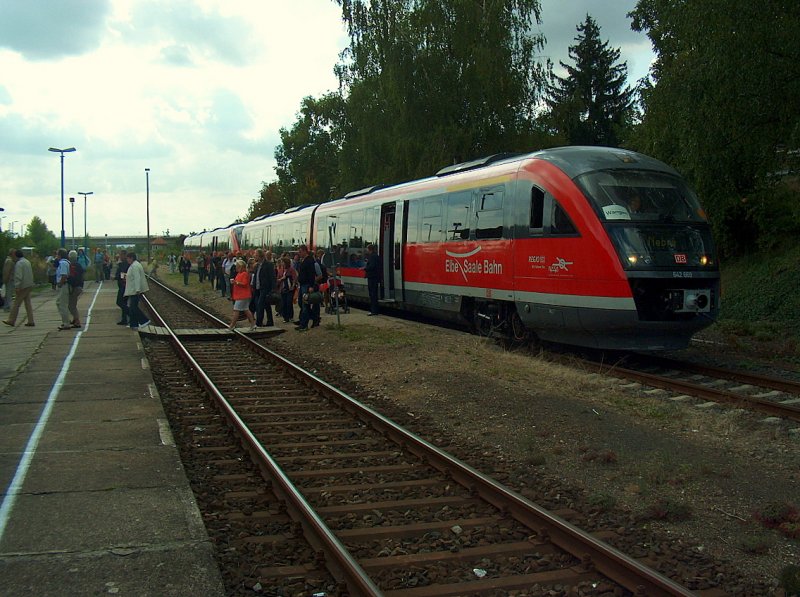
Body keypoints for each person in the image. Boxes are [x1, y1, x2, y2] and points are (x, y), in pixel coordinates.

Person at [3, 250, 35, 327]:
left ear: (16, 256)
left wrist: (17, 286)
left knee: (16, 303)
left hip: (22, 286)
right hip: (29, 284)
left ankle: (11, 320)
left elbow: (18, 276)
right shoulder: (27, 261)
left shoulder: (19, 264)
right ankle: (31, 320)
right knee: (27, 303)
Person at [295, 244, 321, 331]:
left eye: (300, 252)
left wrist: (311, 286)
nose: (299, 253)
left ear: (304, 251)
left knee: (305, 305)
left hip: (306, 285)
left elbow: (311, 275)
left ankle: (304, 324)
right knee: (301, 304)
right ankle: (314, 318)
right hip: (302, 285)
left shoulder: (309, 261)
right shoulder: (303, 260)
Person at [123, 252, 150, 329]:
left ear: (131, 258)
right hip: (133, 290)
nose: (127, 260)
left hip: (135, 290)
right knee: (132, 308)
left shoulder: (134, 266)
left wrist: (137, 289)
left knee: (133, 308)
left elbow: (137, 278)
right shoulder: (135, 265)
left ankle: (144, 320)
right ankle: (133, 324)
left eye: (128, 258)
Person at [228, 259, 256, 330]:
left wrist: (235, 282)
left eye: (237, 266)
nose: (236, 268)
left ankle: (232, 325)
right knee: (246, 309)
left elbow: (244, 283)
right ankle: (253, 324)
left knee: (236, 310)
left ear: (241, 267)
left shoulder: (244, 274)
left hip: (243, 295)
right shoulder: (239, 274)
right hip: (241, 295)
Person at [253, 249, 275, 328]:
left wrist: (273, 288)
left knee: (260, 305)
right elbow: (256, 277)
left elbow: (272, 277)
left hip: (265, 288)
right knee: (266, 305)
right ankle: (270, 321)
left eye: (255, 255)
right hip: (258, 288)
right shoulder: (257, 265)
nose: (254, 256)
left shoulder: (268, 264)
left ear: (259, 256)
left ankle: (259, 323)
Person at [54, 248, 73, 330]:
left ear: (60, 255)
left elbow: (64, 275)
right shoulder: (66, 262)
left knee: (62, 304)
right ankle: (66, 320)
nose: (56, 256)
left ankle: (66, 323)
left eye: (57, 254)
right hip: (65, 285)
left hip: (64, 285)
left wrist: (60, 284)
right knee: (59, 302)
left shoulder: (63, 263)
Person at [67, 249, 85, 328]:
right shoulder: (78, 265)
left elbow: (73, 278)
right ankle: (75, 319)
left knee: (71, 305)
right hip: (80, 286)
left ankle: (77, 321)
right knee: (73, 304)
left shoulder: (71, 266)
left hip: (75, 287)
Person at [364, 243, 381, 316]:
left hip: (372, 277)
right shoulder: (375, 256)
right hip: (375, 277)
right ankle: (375, 310)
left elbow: (372, 266)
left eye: (367, 249)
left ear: (369, 249)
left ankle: (374, 311)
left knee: (373, 294)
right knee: (374, 294)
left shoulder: (372, 257)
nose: (366, 251)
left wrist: (365, 268)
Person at [114, 250, 130, 325]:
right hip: (124, 286)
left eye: (120, 255)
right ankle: (124, 319)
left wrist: (116, 277)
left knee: (119, 302)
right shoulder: (124, 263)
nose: (119, 257)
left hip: (123, 286)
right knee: (124, 302)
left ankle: (132, 314)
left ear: (124, 255)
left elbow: (123, 275)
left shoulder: (124, 264)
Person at [2, 248, 15, 313]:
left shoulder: (8, 260)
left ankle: (7, 306)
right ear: (12, 253)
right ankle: (7, 307)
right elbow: (7, 271)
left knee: (8, 294)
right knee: (8, 294)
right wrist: (6, 280)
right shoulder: (9, 261)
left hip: (9, 280)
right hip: (9, 280)